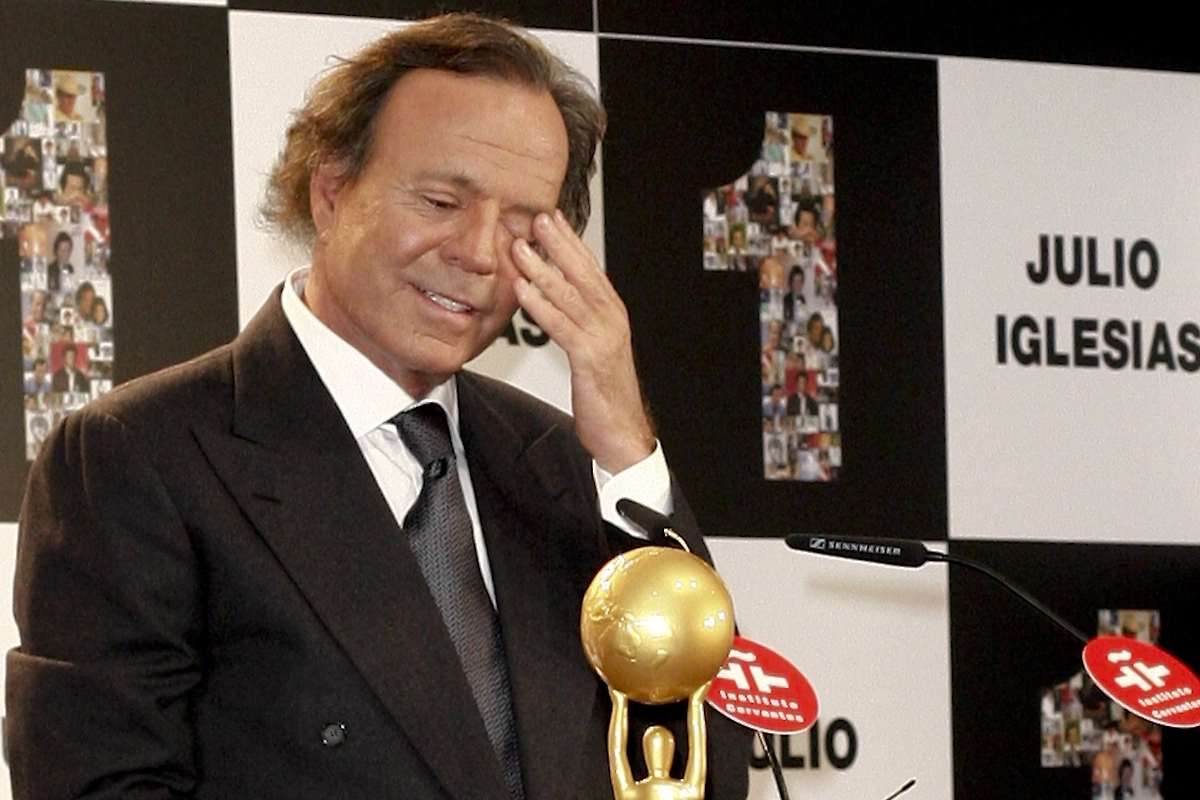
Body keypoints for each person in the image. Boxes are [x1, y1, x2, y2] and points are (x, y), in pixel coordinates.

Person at [7, 13, 750, 800]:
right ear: (331, 190)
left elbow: (703, 772)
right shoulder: (139, 458)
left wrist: (629, 454)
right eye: (440, 201)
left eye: (521, 225)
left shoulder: (570, 468)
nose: (476, 252)